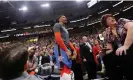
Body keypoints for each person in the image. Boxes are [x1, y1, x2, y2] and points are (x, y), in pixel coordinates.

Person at [101, 14, 133, 80]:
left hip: (130, 45)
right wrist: (103, 53)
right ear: (106, 24)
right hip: (121, 49)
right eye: (109, 19)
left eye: (112, 17)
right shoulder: (108, 32)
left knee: (125, 55)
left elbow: (132, 27)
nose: (112, 19)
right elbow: (110, 48)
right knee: (106, 58)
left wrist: (126, 45)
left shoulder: (121, 21)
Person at [53, 15, 77, 80]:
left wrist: (74, 49)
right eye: (63, 17)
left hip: (65, 48)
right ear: (59, 19)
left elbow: (68, 41)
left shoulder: (64, 28)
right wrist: (66, 50)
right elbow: (58, 39)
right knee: (64, 67)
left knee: (68, 67)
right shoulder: (57, 25)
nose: (65, 18)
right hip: (60, 48)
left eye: (65, 17)